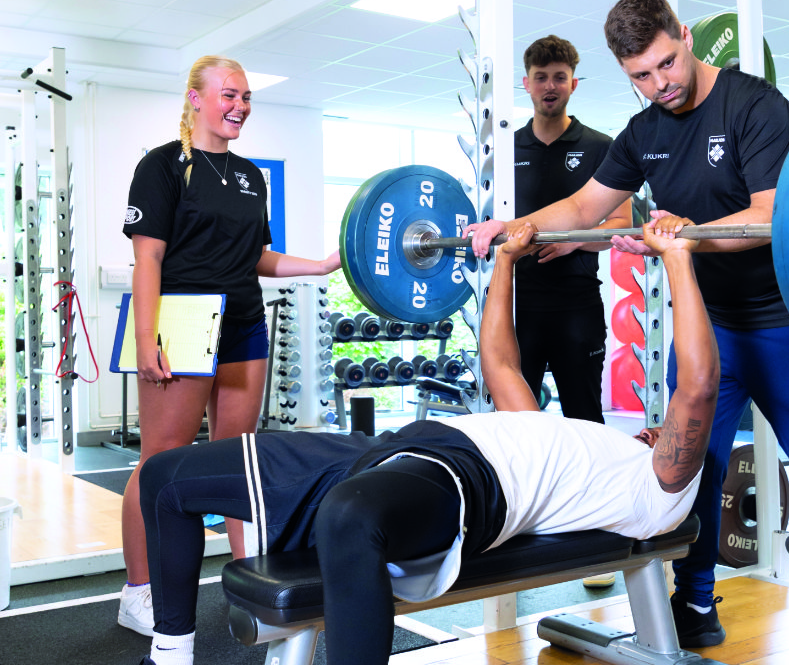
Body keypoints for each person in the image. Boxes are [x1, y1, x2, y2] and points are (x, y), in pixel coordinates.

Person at [462, 0, 789, 661]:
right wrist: (518, 228)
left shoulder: (754, 105)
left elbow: (769, 213)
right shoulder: (643, 134)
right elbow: (584, 204)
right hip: (707, 325)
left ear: (684, 36)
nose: (658, 84)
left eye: (665, 64)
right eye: (640, 76)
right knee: (690, 469)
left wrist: (680, 239)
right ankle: (692, 606)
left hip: (784, 323)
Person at [133, 217, 719, 665]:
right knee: (166, 478)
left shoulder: (660, 489)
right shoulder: (566, 433)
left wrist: (676, 261)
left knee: (349, 518)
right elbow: (499, 362)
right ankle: (171, 652)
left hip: (465, 482)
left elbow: (696, 386)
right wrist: (507, 261)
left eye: (665, 429)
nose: (655, 424)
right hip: (392, 449)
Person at [119, 55, 341, 637]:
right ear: (195, 98)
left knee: (239, 458)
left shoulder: (250, 176)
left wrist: (316, 265)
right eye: (228, 94)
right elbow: (149, 257)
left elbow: (257, 258)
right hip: (183, 322)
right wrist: (147, 337)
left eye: (245, 96)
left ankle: (248, 583)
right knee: (161, 462)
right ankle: (139, 592)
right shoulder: (163, 166)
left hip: (243, 324)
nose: (239, 105)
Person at [513, 34, 632, 425]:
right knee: (515, 421)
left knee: (584, 417)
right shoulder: (503, 149)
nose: (550, 86)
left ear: (573, 84)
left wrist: (572, 243)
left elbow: (621, 224)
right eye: (541, 76)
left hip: (576, 304)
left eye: (560, 77)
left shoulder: (602, 148)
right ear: (526, 83)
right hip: (517, 304)